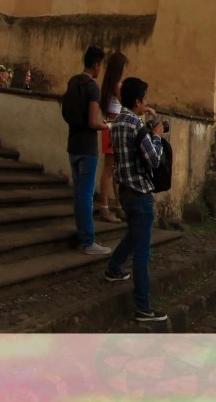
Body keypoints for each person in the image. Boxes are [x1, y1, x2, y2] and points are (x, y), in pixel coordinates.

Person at [104, 76, 168, 322]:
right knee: (142, 253)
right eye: (145, 100)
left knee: (133, 234)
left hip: (124, 193)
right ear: (139, 101)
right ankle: (143, 306)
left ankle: (113, 268)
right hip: (140, 194)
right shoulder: (138, 128)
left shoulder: (119, 121)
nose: (147, 103)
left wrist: (149, 126)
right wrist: (157, 137)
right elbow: (154, 160)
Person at [65, 45, 113, 256]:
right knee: (85, 195)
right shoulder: (93, 87)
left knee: (79, 193)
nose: (100, 69)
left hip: (73, 144)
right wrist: (107, 125)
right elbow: (93, 121)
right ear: (96, 65)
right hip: (87, 147)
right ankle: (87, 240)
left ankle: (81, 232)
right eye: (100, 65)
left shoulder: (73, 81)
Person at [95, 52, 128, 224]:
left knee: (114, 170)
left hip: (111, 125)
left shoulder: (108, 84)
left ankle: (117, 204)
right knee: (109, 170)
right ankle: (105, 207)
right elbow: (128, 104)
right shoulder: (117, 85)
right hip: (113, 127)